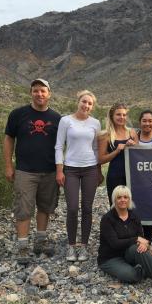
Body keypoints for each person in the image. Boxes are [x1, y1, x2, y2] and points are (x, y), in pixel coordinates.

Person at [3, 78, 61, 264]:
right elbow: (8, 139)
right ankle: (22, 246)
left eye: (43, 91)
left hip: (50, 170)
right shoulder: (18, 114)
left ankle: (40, 241)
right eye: (36, 90)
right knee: (23, 208)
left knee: (45, 206)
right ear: (31, 93)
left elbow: (62, 145)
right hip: (25, 171)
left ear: (49, 94)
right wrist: (8, 165)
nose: (39, 94)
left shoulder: (57, 118)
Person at [97, 185, 152, 295]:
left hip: (128, 252)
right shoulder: (107, 219)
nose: (122, 200)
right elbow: (115, 244)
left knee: (140, 248)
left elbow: (141, 238)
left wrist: (145, 245)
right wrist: (136, 239)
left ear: (129, 199)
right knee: (130, 275)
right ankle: (146, 268)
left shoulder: (134, 216)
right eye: (119, 197)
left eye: (125, 197)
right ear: (114, 199)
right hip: (110, 258)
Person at [55, 90, 101, 262]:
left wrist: (98, 170)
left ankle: (83, 245)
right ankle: (71, 245)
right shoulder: (65, 121)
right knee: (72, 207)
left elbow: (96, 148)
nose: (86, 105)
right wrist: (59, 170)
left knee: (87, 208)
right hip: (70, 169)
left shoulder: (95, 123)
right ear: (78, 101)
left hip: (90, 168)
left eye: (90, 103)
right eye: (84, 101)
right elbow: (59, 146)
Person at [98, 103, 139, 205]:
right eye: (118, 114)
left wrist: (134, 147)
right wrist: (116, 151)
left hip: (132, 175)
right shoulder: (105, 135)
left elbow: (139, 155)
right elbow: (101, 159)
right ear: (112, 116)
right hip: (115, 175)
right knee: (116, 206)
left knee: (132, 205)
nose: (122, 117)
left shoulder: (132, 132)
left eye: (124, 115)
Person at [137, 109, 152, 243]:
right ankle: (136, 240)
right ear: (140, 122)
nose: (147, 123)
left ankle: (148, 241)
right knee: (134, 211)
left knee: (148, 211)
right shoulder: (133, 137)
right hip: (136, 181)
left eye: (150, 121)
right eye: (144, 120)